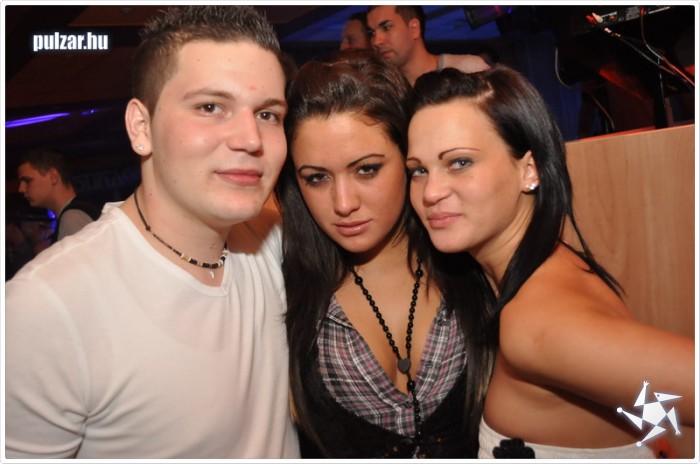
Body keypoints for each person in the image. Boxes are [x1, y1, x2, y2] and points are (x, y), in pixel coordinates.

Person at [5, 5, 299, 459]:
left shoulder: (274, 243)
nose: (250, 138)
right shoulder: (47, 308)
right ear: (141, 128)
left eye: (268, 114)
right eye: (210, 107)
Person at [405, 65, 695, 459]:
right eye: (419, 170)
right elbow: (639, 399)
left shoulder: (537, 321)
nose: (431, 191)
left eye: (459, 162)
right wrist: (656, 444)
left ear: (529, 169)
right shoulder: (551, 272)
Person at [275, 49, 493, 459]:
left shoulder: (479, 266)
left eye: (367, 169)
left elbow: (621, 395)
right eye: (317, 178)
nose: (343, 203)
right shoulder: (280, 295)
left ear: (409, 157)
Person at [366, 5, 490, 86]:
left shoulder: (468, 70)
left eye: (386, 27)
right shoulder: (388, 94)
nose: (376, 41)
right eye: (372, 33)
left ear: (414, 28)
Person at [17, 147, 102, 242]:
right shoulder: (79, 211)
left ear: (53, 176)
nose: (21, 189)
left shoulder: (72, 218)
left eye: (27, 181)